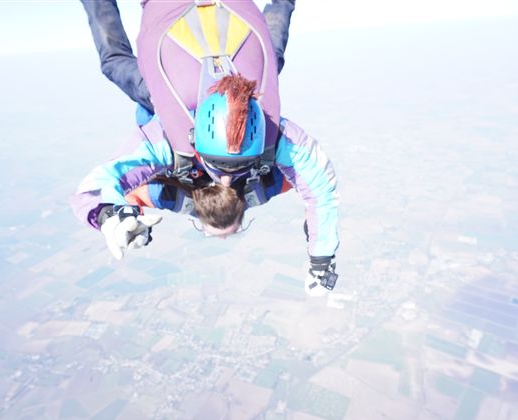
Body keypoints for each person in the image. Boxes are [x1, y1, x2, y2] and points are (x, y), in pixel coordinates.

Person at [72, 1, 339, 296]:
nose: (225, 179)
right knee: (114, 62)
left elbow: (319, 186)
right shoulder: (169, 142)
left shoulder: (269, 135)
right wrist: (113, 216)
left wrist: (322, 260)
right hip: (165, 12)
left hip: (223, 15)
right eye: (227, 168)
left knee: (272, 60)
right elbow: (103, 185)